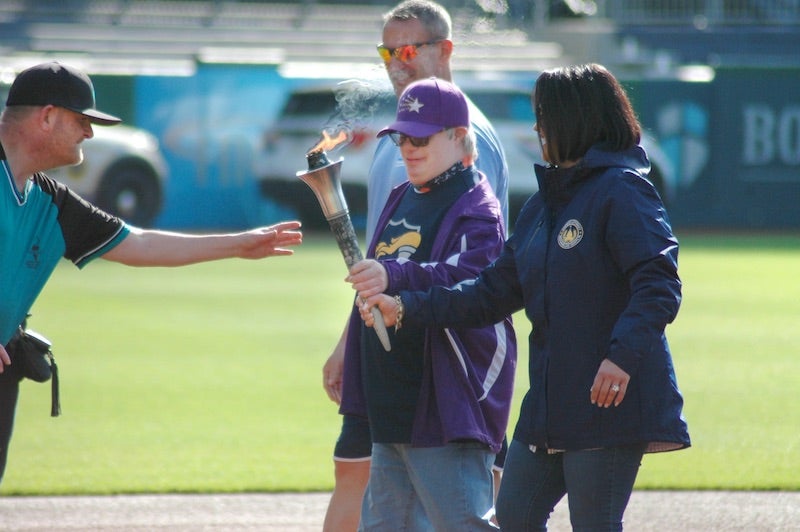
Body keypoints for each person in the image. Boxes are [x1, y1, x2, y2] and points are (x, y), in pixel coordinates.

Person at [361, 63, 691, 530]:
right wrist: (408, 306)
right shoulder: (543, 204)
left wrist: (622, 357)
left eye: (544, 117)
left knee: (594, 523)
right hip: (548, 404)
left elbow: (659, 282)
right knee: (514, 516)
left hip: (608, 400)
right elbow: (491, 292)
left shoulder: (624, 190)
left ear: (573, 120)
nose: (537, 128)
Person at [0, 61, 303, 484]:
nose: (89, 132)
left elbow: (138, 243)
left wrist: (239, 244)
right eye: (81, 120)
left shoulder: (48, 199)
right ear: (47, 116)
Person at [321, 1, 511, 530]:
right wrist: (350, 341)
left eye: (407, 49)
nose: (407, 147)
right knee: (388, 518)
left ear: (456, 139)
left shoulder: (472, 172)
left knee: (460, 516)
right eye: (387, 50)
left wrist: (397, 284)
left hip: (447, 377)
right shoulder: (405, 177)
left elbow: (476, 278)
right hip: (393, 378)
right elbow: (378, 267)